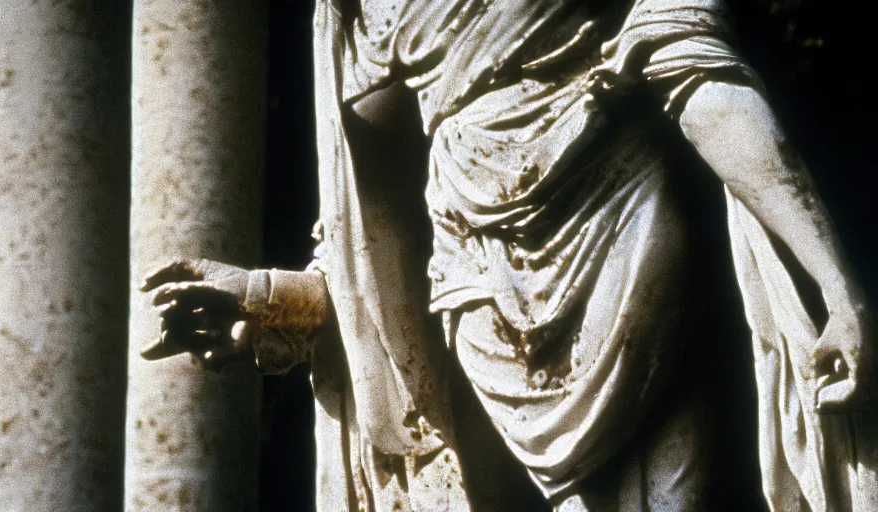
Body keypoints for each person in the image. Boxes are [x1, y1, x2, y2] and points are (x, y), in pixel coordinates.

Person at [140, 1, 877, 510]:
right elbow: (374, 256)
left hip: (616, 212)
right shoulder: (356, 14)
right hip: (469, 277)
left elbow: (697, 72)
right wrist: (271, 299)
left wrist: (838, 291)